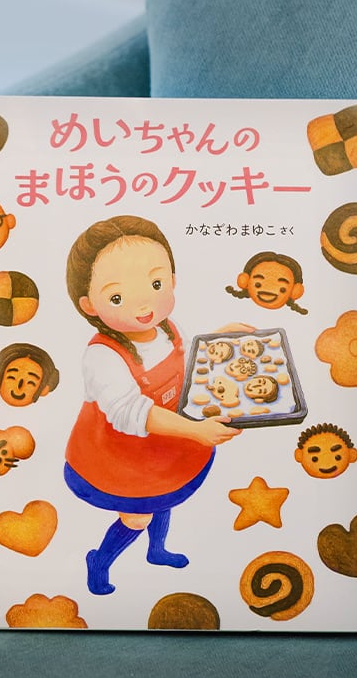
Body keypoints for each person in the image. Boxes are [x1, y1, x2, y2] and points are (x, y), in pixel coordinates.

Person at [63, 216, 248, 595]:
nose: (143, 303)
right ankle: (100, 561)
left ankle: (157, 550)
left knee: (165, 496)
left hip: (166, 444)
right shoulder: (103, 356)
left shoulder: (166, 327)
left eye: (156, 284)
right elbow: (130, 411)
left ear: (173, 280)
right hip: (119, 455)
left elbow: (186, 359)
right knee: (137, 516)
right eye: (117, 297)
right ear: (89, 304)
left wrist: (217, 339)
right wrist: (195, 430)